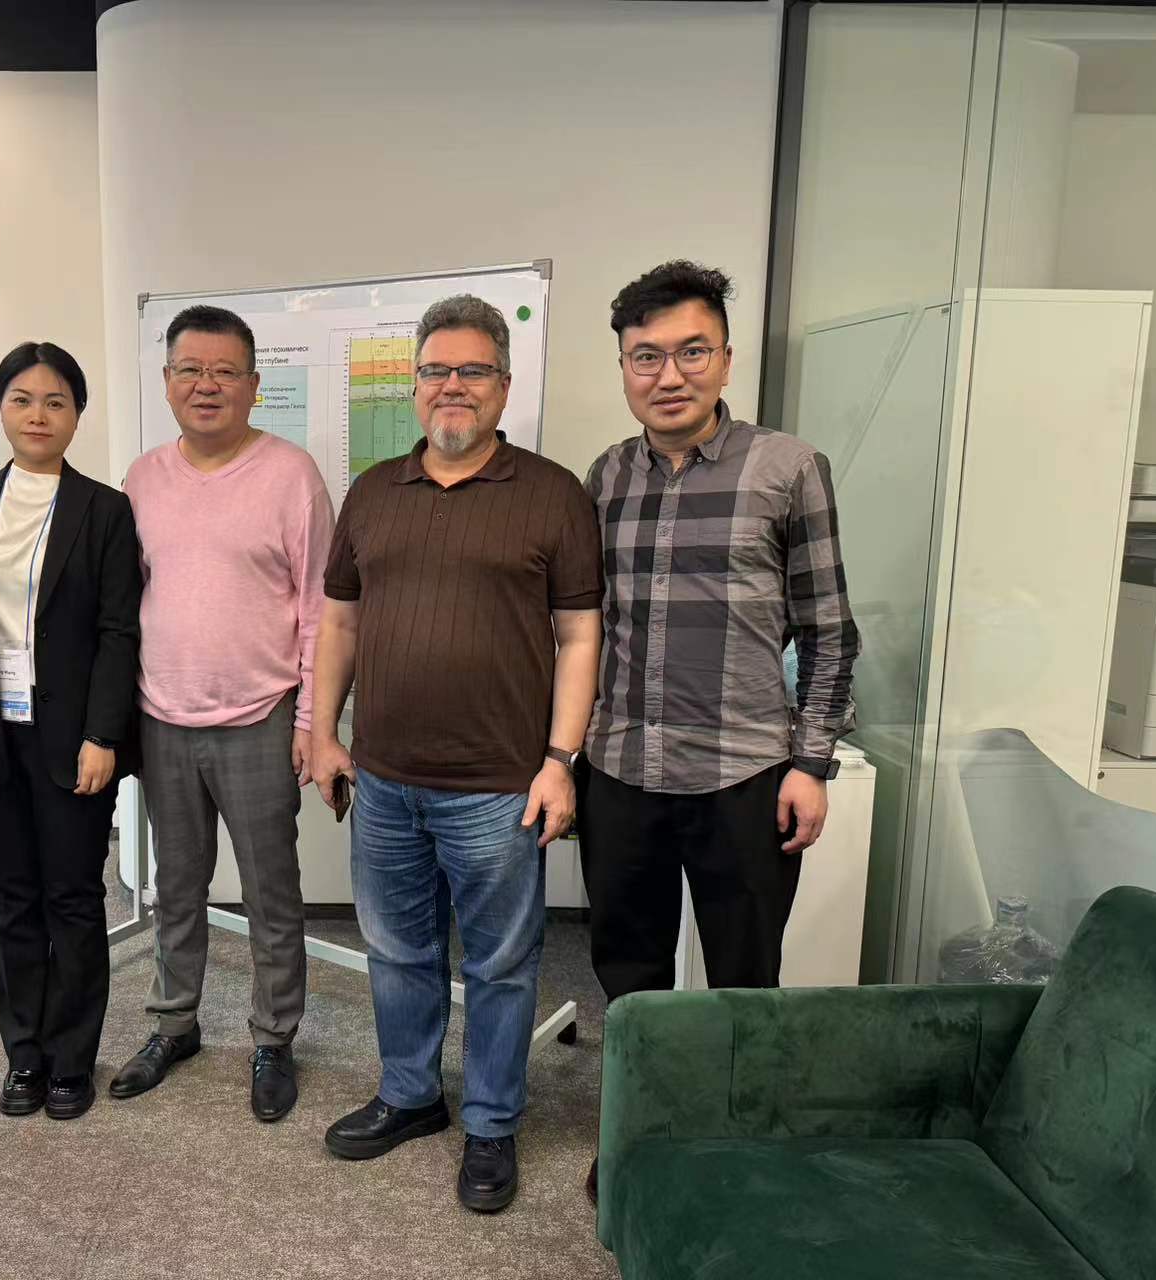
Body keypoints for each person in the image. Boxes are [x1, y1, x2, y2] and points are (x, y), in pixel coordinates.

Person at [311, 294, 604, 1213]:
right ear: (413, 385)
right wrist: (321, 733)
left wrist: (560, 759)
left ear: (503, 386)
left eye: (471, 370)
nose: (451, 386)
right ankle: (410, 1096)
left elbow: (579, 637)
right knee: (396, 951)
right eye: (435, 370)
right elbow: (339, 622)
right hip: (384, 778)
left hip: (498, 785)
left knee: (500, 965)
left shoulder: (552, 493)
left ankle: (490, 1123)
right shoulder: (372, 492)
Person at [576, 261, 860, 1200]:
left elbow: (828, 630)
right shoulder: (604, 478)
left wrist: (810, 762)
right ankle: (640, 1130)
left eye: (690, 352)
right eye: (645, 356)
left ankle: (738, 1146)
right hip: (620, 769)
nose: (669, 375)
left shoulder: (787, 468)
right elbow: (582, 629)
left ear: (726, 359)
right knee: (630, 974)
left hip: (744, 772)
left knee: (743, 976)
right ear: (624, 368)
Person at [110, 305, 333, 1123]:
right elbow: (125, 603)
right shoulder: (141, 479)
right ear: (168, 380)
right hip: (161, 716)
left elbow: (320, 609)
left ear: (253, 384)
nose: (206, 385)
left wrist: (311, 722)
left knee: (272, 892)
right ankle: (175, 1024)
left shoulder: (292, 475)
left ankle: (273, 1037)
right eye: (190, 370)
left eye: (224, 371)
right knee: (174, 886)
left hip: (261, 716)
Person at [0, 341, 141, 1122]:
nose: (37, 415)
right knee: (12, 895)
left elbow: (118, 630)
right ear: (0, 408)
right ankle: (23, 1055)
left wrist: (104, 734)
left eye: (55, 401)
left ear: (76, 415)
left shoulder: (104, 509)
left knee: (72, 895)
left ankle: (71, 1058)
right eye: (22, 399)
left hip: (72, 736)